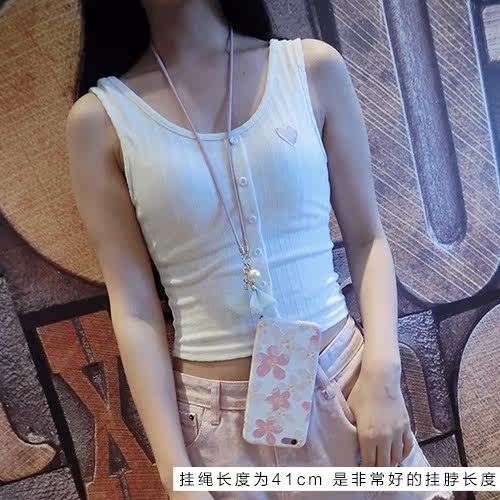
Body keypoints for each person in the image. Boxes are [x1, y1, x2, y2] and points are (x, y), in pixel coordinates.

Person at [65, 1, 454, 499]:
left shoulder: (312, 68)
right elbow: (135, 306)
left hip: (348, 390)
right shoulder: (99, 120)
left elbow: (368, 238)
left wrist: (383, 373)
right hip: (216, 434)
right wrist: (176, 476)